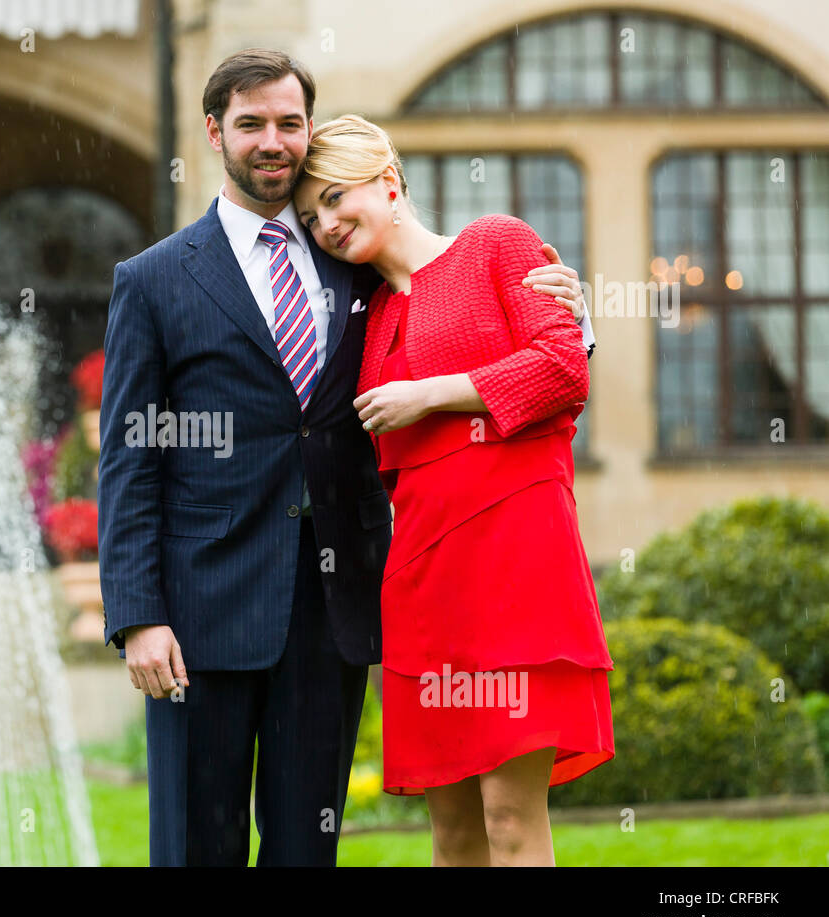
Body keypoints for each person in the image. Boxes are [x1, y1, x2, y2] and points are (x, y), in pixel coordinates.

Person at [97, 50, 593, 866]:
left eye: (289, 123)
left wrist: (573, 316)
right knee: (195, 844)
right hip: (197, 612)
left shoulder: (352, 261)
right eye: (251, 123)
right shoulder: (153, 281)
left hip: (332, 613)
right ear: (216, 131)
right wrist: (138, 613)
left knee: (307, 846)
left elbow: (456, 302)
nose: (272, 140)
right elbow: (129, 457)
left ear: (310, 131)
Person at [293, 113, 615, 867]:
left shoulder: (494, 244)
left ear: (390, 183)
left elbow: (565, 368)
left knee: (510, 823)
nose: (329, 223)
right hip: (424, 586)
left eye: (338, 198)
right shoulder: (365, 319)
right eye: (312, 217)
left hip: (518, 565)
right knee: (455, 838)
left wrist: (433, 393)